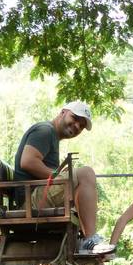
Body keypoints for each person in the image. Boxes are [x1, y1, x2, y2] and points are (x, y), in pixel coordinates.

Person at [12, 101, 106, 253]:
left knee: (80, 182)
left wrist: (63, 176)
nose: (77, 126)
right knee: (86, 173)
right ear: (63, 112)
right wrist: (60, 178)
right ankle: (90, 239)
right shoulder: (45, 130)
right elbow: (27, 161)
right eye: (75, 118)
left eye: (81, 126)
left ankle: (84, 240)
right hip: (30, 201)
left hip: (36, 196)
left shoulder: (52, 136)